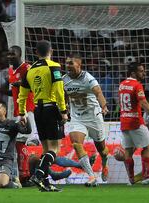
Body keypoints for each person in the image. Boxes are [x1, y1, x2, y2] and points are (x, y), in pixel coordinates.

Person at [18, 40, 68, 192]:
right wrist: (64, 110)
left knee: (46, 149)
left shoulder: (30, 70)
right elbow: (59, 90)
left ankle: (45, 184)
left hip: (38, 110)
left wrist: (22, 112)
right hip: (51, 108)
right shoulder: (54, 66)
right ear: (51, 51)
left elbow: (22, 94)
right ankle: (38, 175)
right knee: (55, 148)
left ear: (36, 53)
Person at [62, 54, 109, 186]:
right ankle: (91, 176)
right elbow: (64, 96)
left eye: (71, 63)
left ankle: (105, 163)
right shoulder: (64, 80)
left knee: (102, 150)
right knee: (76, 143)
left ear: (79, 64)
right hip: (77, 118)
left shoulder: (88, 78)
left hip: (94, 117)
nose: (68, 65)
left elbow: (98, 92)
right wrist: (64, 110)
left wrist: (104, 106)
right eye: (67, 63)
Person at [118, 62, 149, 185]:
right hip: (136, 122)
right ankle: (146, 177)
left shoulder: (122, 85)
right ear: (133, 73)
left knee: (128, 151)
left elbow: (131, 101)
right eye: (141, 71)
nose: (144, 73)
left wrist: (144, 105)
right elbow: (143, 103)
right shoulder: (137, 85)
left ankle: (131, 179)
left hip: (124, 122)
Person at [7, 45, 37, 184]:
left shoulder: (27, 68)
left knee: (23, 141)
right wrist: (0, 91)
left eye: (13, 54)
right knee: (21, 142)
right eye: (9, 54)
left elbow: (34, 85)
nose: (10, 56)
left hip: (28, 108)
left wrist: (21, 83)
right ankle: (25, 175)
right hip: (18, 110)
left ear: (20, 54)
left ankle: (26, 175)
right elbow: (13, 90)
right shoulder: (11, 70)